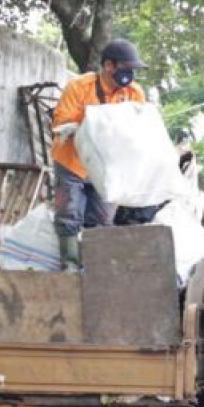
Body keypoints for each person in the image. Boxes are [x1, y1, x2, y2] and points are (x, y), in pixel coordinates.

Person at [49, 38, 146, 270]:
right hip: (72, 161)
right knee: (69, 214)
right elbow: (61, 121)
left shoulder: (134, 92)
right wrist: (90, 123)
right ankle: (70, 267)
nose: (130, 74)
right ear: (108, 66)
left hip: (108, 166)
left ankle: (94, 269)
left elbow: (140, 127)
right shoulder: (79, 87)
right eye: (126, 68)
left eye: (133, 69)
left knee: (102, 219)